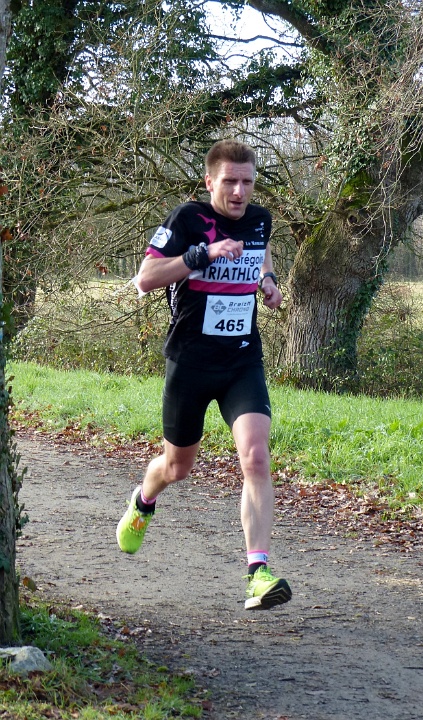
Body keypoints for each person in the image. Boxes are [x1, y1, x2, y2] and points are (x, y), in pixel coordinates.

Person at [116, 139, 291, 611]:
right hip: (190, 362)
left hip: (241, 360)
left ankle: (257, 573)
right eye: (230, 181)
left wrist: (268, 282)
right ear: (210, 181)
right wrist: (203, 255)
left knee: (256, 457)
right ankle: (144, 500)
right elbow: (145, 278)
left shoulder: (260, 219)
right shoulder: (187, 220)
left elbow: (260, 253)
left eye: (247, 182)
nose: (239, 192)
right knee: (178, 468)